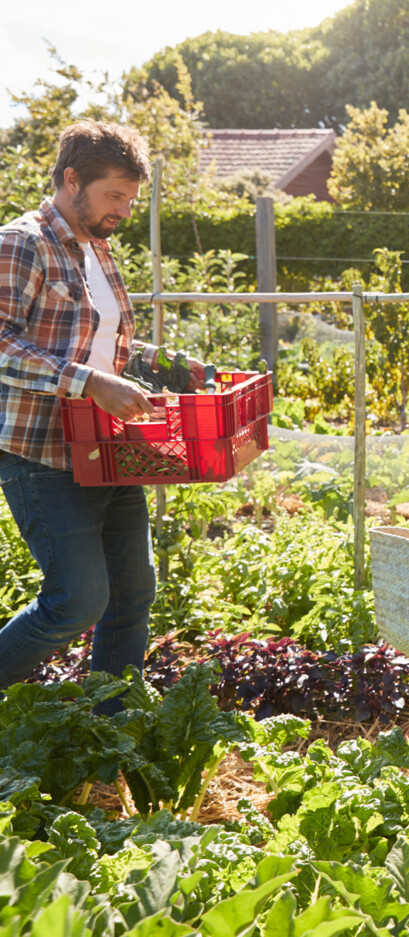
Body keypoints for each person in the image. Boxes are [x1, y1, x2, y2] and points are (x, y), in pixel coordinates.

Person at [0, 121, 208, 702]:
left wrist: (162, 359)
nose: (123, 210)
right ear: (72, 179)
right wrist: (89, 383)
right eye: (114, 195)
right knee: (76, 600)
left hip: (108, 444)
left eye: (131, 199)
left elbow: (93, 338)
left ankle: (110, 726)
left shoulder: (99, 248)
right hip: (43, 449)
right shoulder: (21, 243)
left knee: (133, 590)